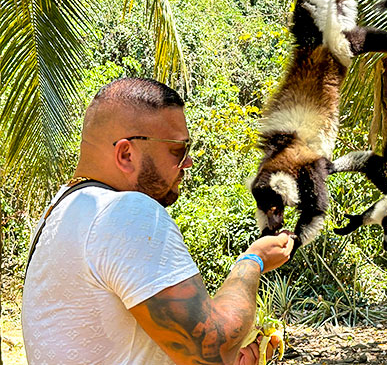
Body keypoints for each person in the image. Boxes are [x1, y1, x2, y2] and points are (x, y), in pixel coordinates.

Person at [22, 78, 294, 364]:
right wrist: (253, 261)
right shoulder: (124, 211)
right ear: (126, 154)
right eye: (178, 150)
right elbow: (214, 348)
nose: (188, 162)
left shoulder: (62, 210)